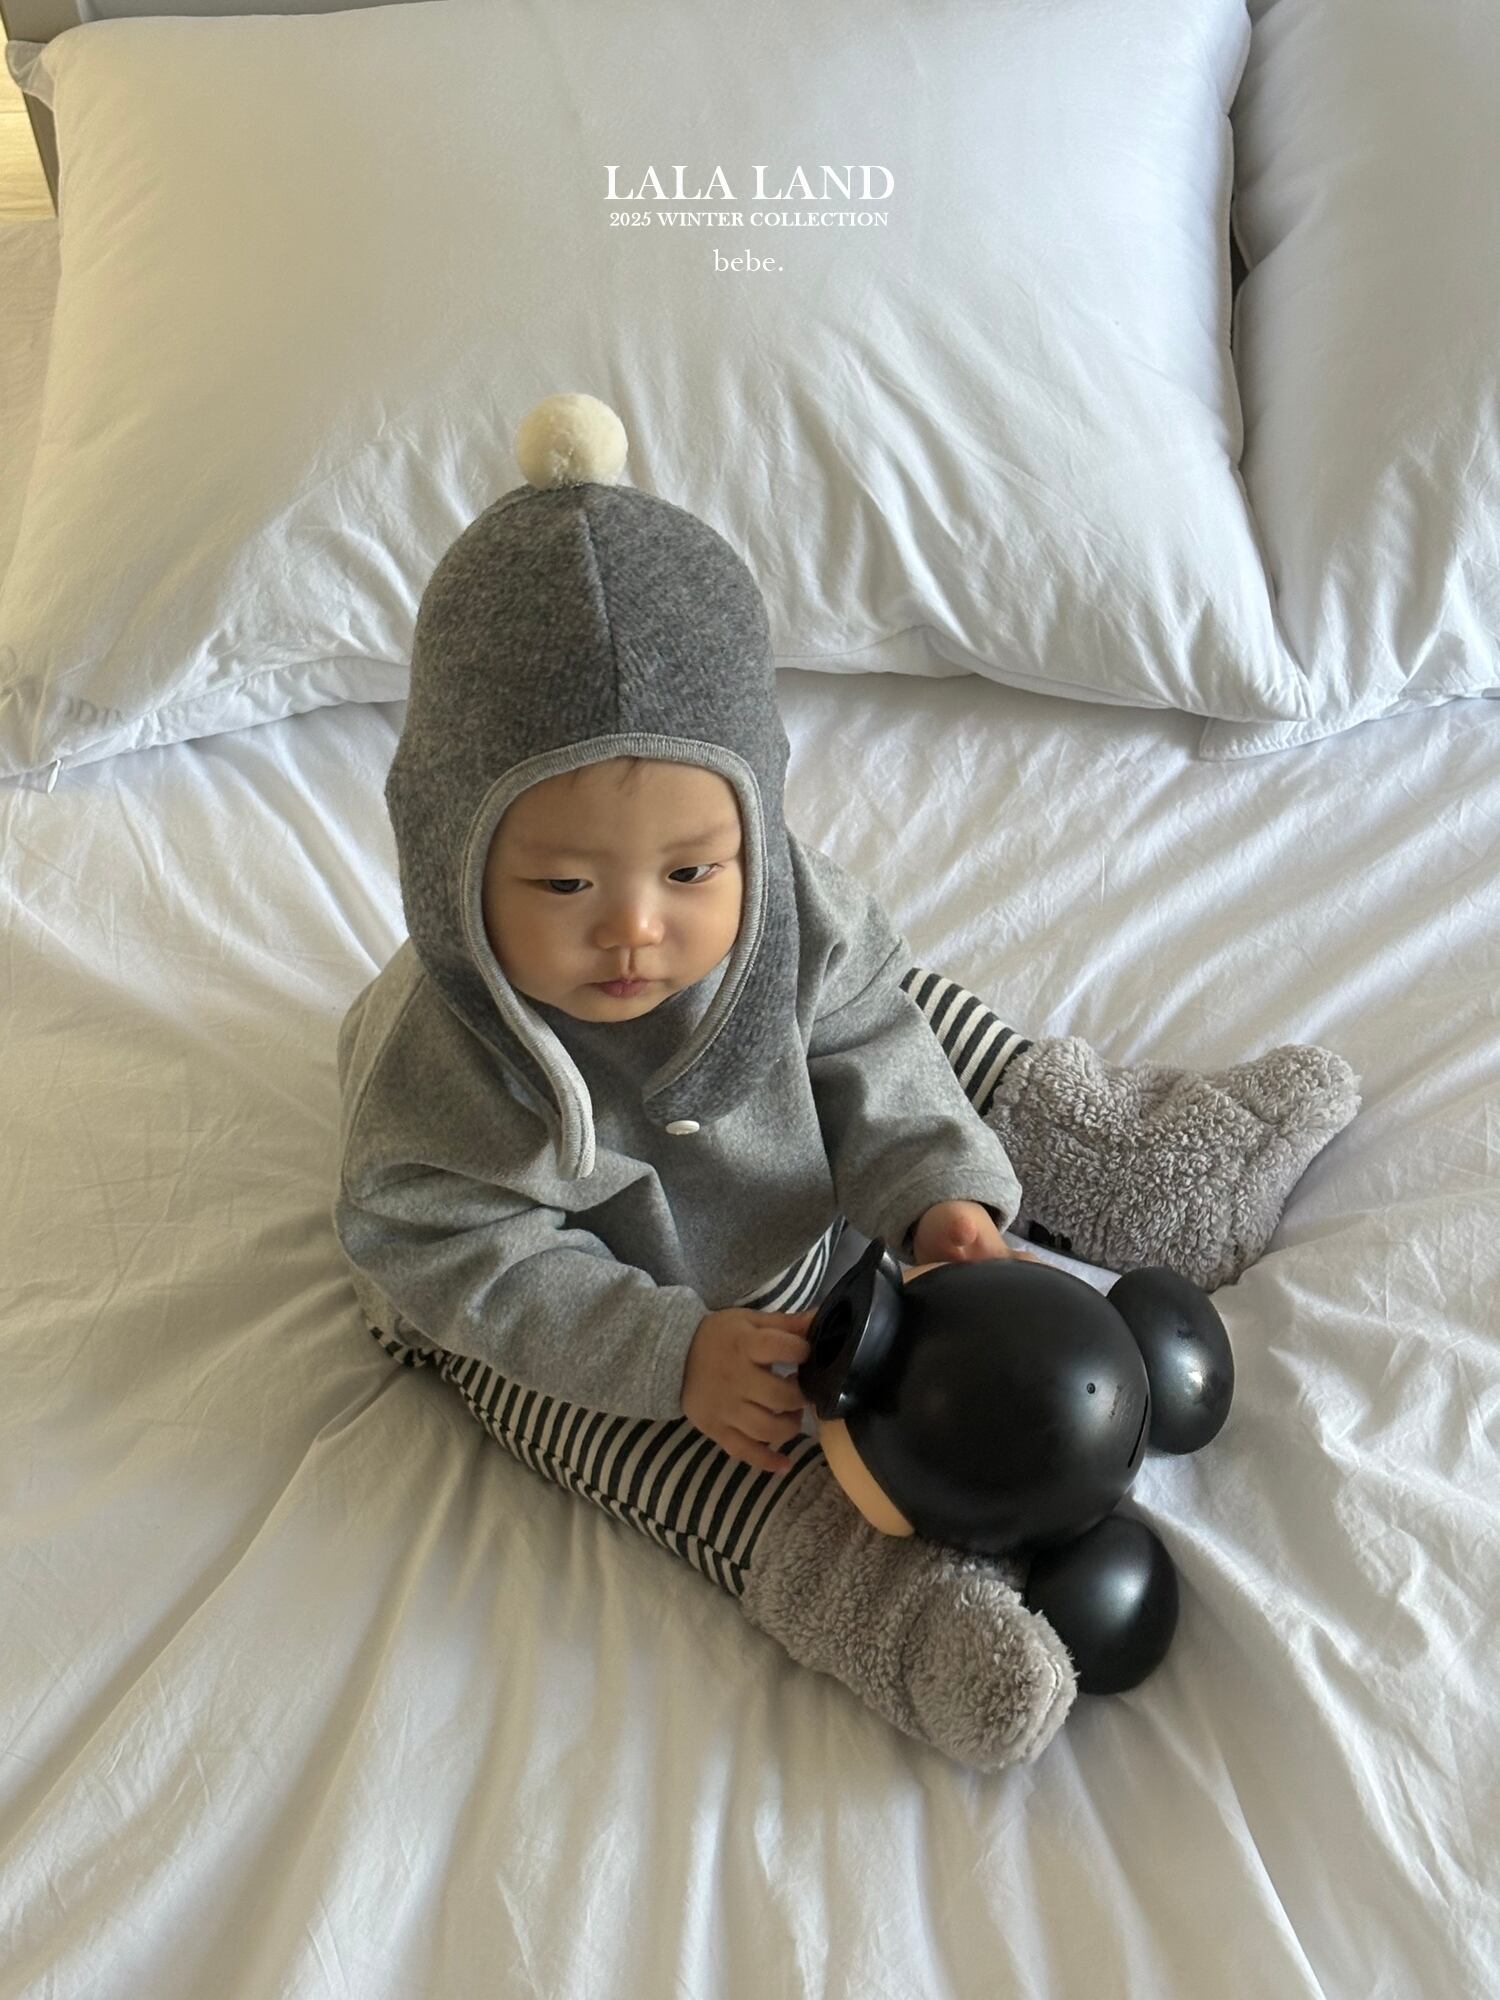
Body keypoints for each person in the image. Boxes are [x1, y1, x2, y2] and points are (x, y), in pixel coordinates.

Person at [332, 394, 1076, 1770]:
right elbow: (447, 1247)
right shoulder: (441, 1073)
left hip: (789, 1156)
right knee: (655, 1439)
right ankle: (884, 1605)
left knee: (902, 1011)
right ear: (449, 860)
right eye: (563, 884)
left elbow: (868, 1041)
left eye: (690, 869)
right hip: (570, 1296)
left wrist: (937, 1195)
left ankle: (1097, 1128)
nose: (635, 930)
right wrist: (669, 1357)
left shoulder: (784, 904)